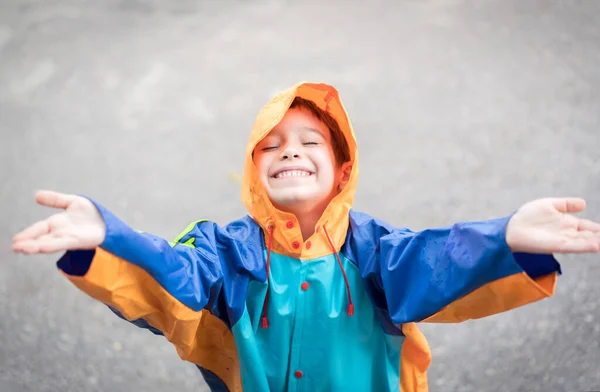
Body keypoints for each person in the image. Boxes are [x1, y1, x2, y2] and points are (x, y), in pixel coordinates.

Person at [12, 82, 600, 392]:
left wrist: (509, 238)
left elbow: (442, 260)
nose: (288, 148)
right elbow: (170, 280)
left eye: (310, 140)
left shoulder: (374, 253)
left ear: (342, 171)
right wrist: (106, 238)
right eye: (271, 143)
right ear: (253, 169)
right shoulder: (226, 254)